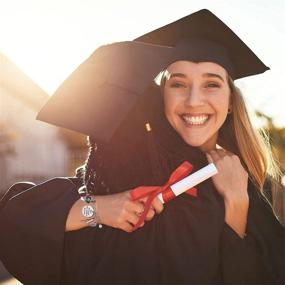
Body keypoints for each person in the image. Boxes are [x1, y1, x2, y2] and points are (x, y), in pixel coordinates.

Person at [0, 9, 284, 285]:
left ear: (231, 101)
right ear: (162, 97)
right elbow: (18, 222)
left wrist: (237, 204)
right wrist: (97, 209)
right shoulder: (129, 170)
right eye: (178, 84)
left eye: (211, 84)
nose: (194, 100)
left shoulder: (256, 184)